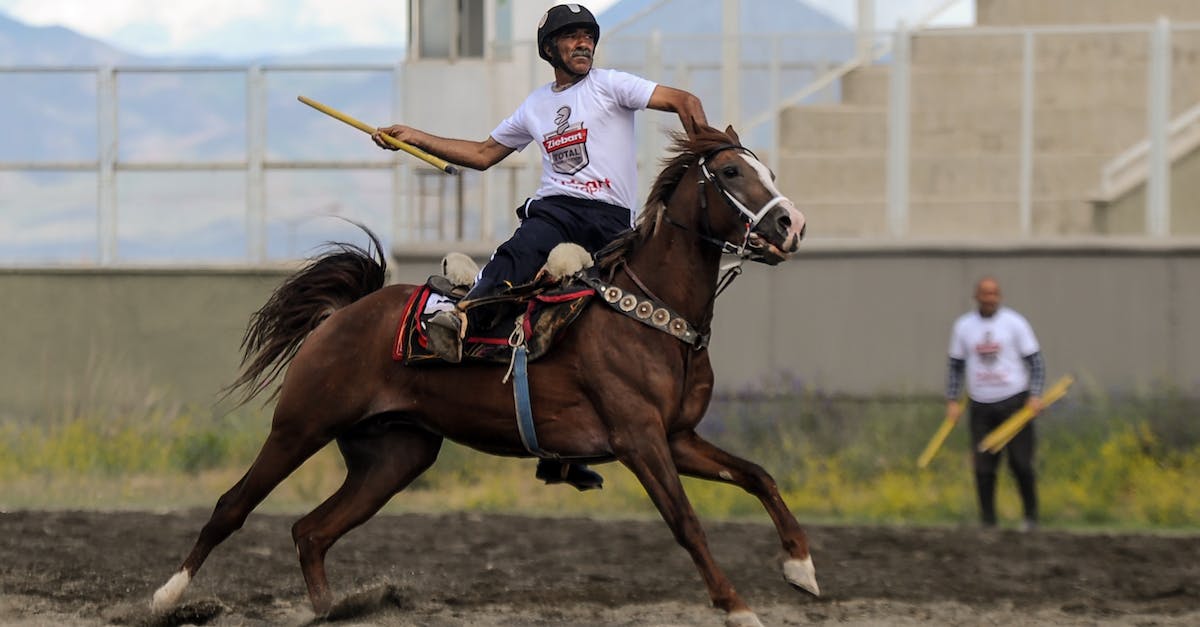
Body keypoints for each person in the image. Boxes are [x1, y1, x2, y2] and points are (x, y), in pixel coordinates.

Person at [372, 3, 709, 491]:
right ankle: (462, 317)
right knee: (520, 257)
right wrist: (414, 137)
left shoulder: (612, 84)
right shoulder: (534, 106)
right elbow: (483, 155)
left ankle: (565, 453)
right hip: (557, 209)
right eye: (572, 37)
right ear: (550, 48)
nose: (584, 44)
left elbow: (684, 100)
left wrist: (706, 150)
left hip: (614, 225)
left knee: (598, 330)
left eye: (588, 36)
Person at [945, 277, 1045, 531]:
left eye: (994, 294)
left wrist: (1035, 395)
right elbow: (956, 366)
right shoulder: (964, 326)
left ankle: (1031, 517)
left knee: (1021, 463)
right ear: (976, 296)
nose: (989, 298)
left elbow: (1036, 362)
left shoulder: (1015, 323)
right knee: (983, 466)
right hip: (981, 405)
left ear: (999, 296)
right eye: (985, 294)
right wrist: (953, 400)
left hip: (1015, 404)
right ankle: (988, 521)